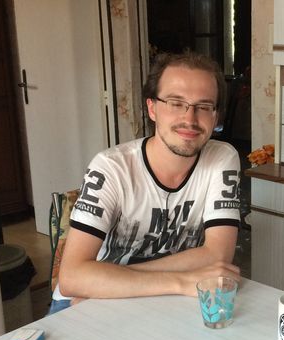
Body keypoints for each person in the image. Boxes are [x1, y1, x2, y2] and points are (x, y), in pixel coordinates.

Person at [49, 52, 242, 313]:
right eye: (176, 103)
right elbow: (72, 278)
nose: (190, 119)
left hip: (127, 294)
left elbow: (217, 256)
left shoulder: (222, 158)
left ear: (216, 116)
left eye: (204, 107)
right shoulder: (111, 167)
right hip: (82, 304)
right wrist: (179, 281)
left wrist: (109, 281)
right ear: (152, 108)